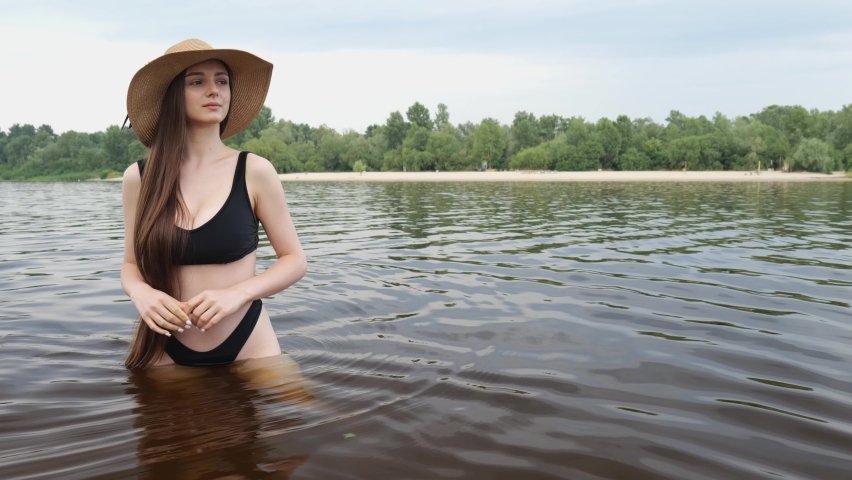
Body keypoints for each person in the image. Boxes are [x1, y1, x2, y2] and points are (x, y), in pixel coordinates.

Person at [120, 39, 307, 368]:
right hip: (163, 347)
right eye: (197, 81)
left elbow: (294, 260)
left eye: (222, 81)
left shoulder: (254, 171)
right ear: (174, 94)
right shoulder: (139, 178)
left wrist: (237, 294)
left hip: (248, 341)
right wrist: (141, 294)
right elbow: (131, 265)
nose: (214, 90)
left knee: (313, 415)